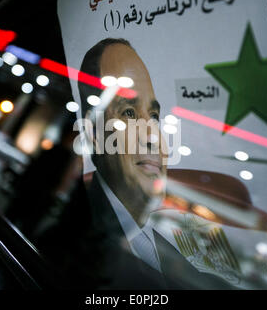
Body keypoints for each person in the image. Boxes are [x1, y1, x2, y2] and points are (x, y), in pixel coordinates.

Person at [77, 38, 237, 289]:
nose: (152, 137)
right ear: (94, 134)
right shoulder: (79, 238)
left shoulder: (165, 249)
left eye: (153, 116)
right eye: (128, 112)